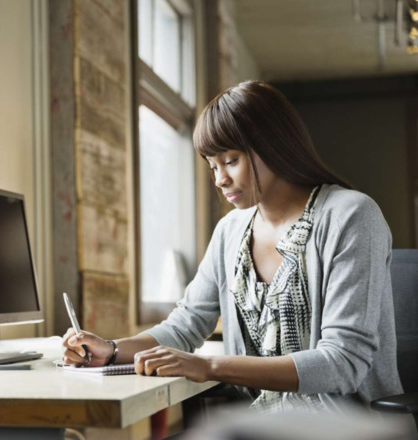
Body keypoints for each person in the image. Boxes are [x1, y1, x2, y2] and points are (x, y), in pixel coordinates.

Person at [61, 80, 404, 412]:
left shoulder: (351, 217)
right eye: (212, 165)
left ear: (274, 145)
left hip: (348, 424)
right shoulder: (231, 230)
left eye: (230, 160)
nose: (220, 180)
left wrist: (208, 366)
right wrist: (111, 349)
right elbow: (185, 326)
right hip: (260, 420)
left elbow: (342, 362)